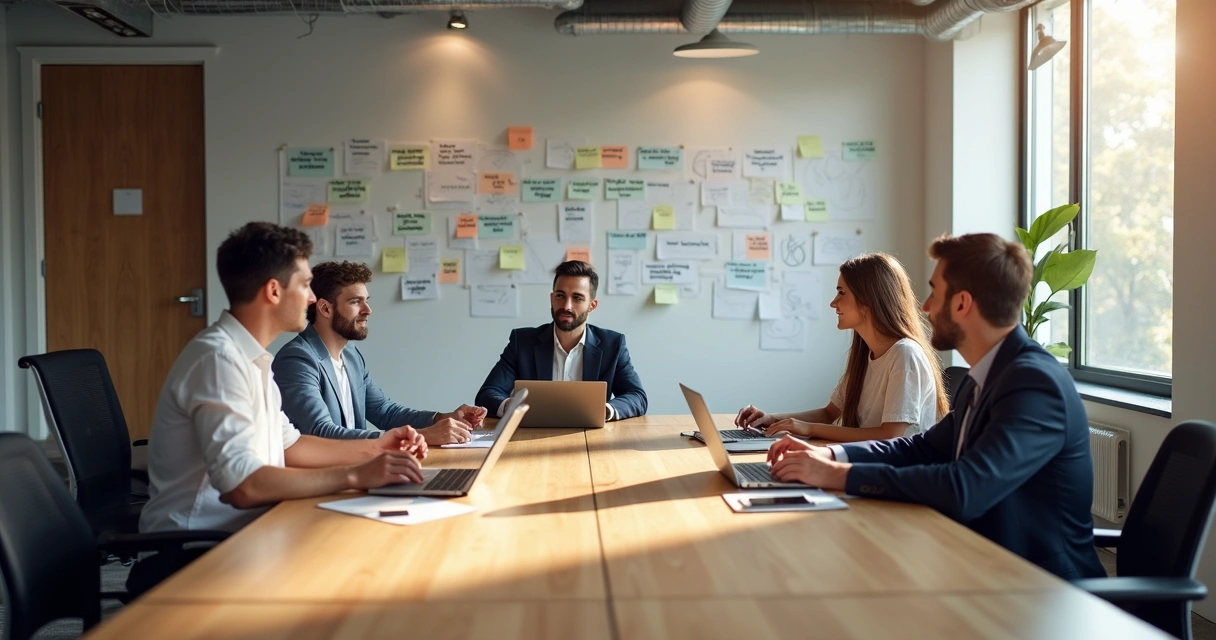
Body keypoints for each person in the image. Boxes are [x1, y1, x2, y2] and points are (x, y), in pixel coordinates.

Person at [766, 233, 1105, 579]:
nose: (925, 307)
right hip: (983, 565)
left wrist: (841, 475)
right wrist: (830, 456)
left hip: (1040, 589)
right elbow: (919, 447)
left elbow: (966, 488)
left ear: (961, 304)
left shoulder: (1034, 384)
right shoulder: (987, 376)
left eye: (933, 292)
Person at [131, 223, 429, 596]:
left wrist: (381, 447)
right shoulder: (219, 361)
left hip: (246, 533)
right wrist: (356, 475)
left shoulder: (251, 357)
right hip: (195, 552)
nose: (310, 298)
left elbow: (292, 447)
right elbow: (244, 486)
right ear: (273, 291)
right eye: (304, 285)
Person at [735, 252, 948, 442]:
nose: (833, 303)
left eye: (841, 293)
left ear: (868, 299)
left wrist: (808, 428)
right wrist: (770, 419)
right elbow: (829, 414)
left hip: (898, 476)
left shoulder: (905, 354)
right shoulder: (866, 354)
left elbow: (890, 436)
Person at [274, 261, 486, 445]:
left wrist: (440, 419)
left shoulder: (351, 355)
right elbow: (321, 433)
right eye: (355, 302)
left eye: (366, 300)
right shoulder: (298, 359)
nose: (368, 310)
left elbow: (386, 412)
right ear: (325, 309)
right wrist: (422, 435)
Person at [475, 260, 647, 421]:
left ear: (592, 305)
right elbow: (488, 394)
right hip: (532, 437)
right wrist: (512, 406)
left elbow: (637, 396)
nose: (566, 306)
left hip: (590, 438)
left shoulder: (613, 344)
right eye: (560, 296)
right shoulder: (523, 342)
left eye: (577, 298)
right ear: (551, 298)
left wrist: (605, 410)